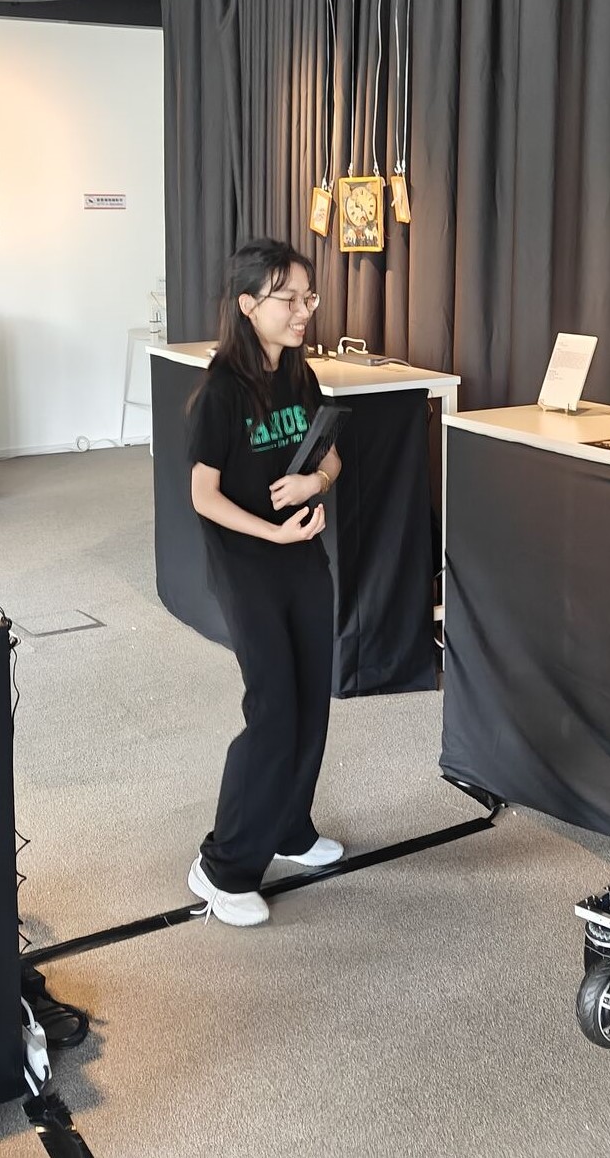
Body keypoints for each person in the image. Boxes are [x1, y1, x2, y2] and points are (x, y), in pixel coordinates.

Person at [185, 238, 344, 928]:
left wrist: (318, 480)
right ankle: (222, 865)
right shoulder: (219, 391)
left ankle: (289, 827)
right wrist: (271, 533)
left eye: (308, 297)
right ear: (249, 305)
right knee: (274, 707)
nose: (303, 309)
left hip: (303, 557)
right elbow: (203, 496)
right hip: (249, 566)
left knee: (313, 697)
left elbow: (329, 453)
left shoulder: (299, 377)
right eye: (289, 298)